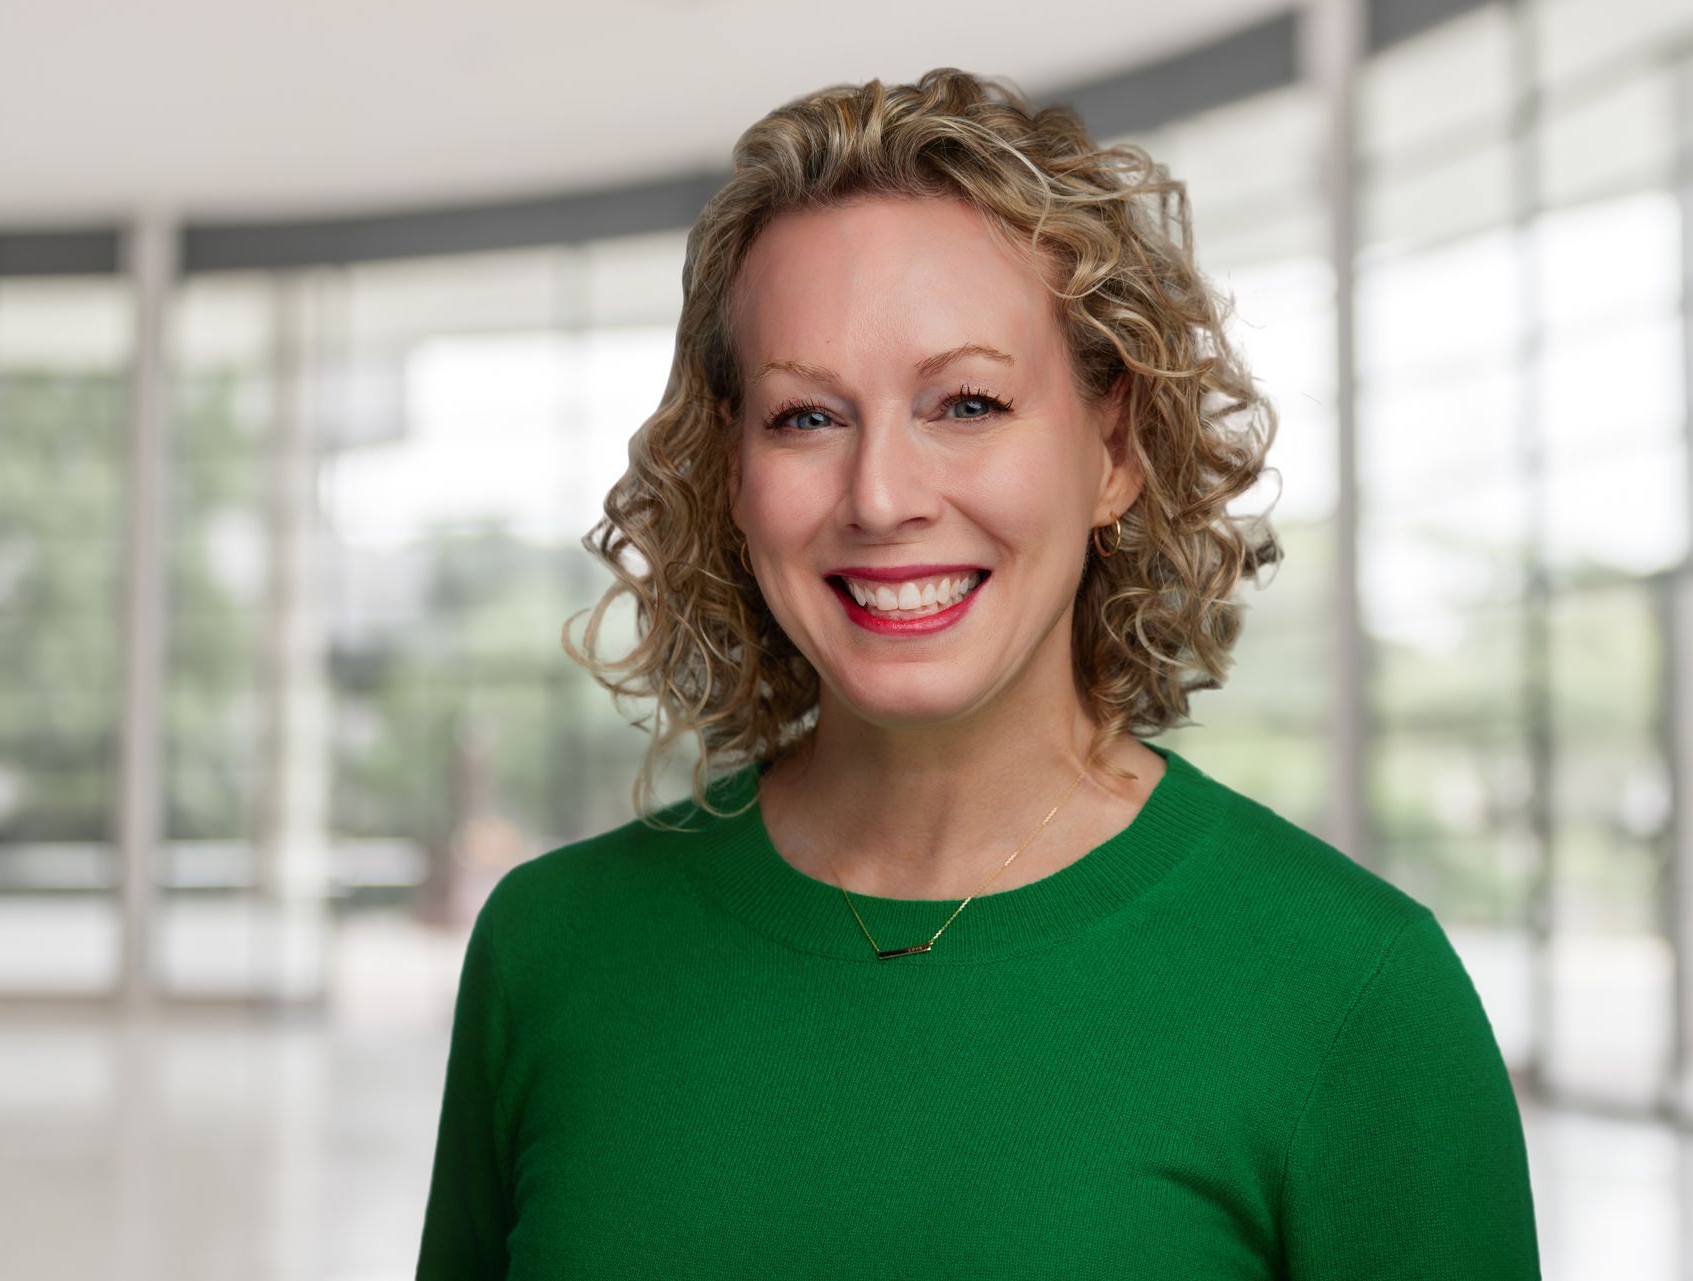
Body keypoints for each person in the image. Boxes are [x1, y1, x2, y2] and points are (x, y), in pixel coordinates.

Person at [414, 67, 1541, 1280]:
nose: (884, 498)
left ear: (1115, 449)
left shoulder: (1353, 994)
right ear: (728, 473)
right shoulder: (551, 953)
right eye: (805, 418)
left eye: (965, 402)